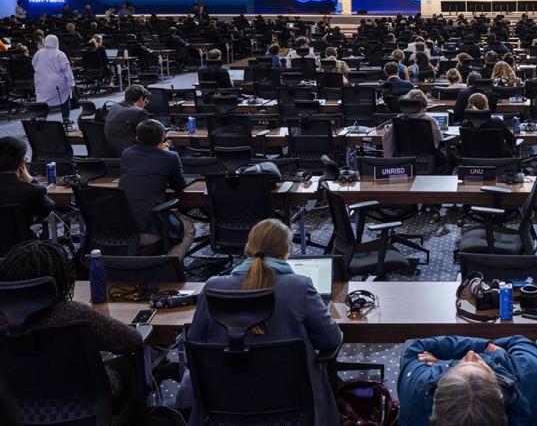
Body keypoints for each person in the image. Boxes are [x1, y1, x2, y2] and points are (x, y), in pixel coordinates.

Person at [179, 219, 342, 423]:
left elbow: (194, 344)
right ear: (286, 253)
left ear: (248, 248)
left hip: (226, 400)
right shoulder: (299, 287)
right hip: (290, 402)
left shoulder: (213, 287)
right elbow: (330, 340)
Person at [0, 241, 144, 422]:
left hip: (15, 407)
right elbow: (131, 340)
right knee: (129, 366)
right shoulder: (74, 314)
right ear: (61, 280)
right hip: (85, 406)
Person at [398, 335, 537, 426]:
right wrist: (492, 350)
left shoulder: (416, 389)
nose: (471, 353)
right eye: (481, 364)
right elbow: (519, 341)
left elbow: (415, 346)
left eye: (460, 363)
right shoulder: (531, 375)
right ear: (501, 389)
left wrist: (443, 363)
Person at [118, 119, 194, 258]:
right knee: (188, 228)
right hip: (147, 229)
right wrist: (165, 153)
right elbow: (179, 186)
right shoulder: (170, 157)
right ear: (163, 138)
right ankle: (170, 269)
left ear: (136, 138)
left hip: (120, 227)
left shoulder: (127, 153)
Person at [0, 136, 54, 228]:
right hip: (22, 241)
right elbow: (49, 207)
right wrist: (30, 179)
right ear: (22, 162)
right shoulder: (33, 191)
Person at [382, 89, 443, 159]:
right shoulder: (430, 120)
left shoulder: (399, 120)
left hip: (404, 158)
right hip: (429, 158)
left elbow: (387, 138)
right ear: (424, 104)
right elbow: (440, 140)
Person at [31, 34, 75, 124]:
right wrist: (71, 83)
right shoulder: (60, 54)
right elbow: (67, 70)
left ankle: (42, 119)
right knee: (66, 96)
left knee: (43, 102)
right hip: (57, 85)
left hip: (41, 84)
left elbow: (33, 65)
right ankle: (66, 119)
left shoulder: (38, 53)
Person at [104, 84, 150, 157]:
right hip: (131, 154)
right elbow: (148, 136)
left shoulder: (114, 106)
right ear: (141, 99)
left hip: (111, 151)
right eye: (145, 101)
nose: (145, 104)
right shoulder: (138, 112)